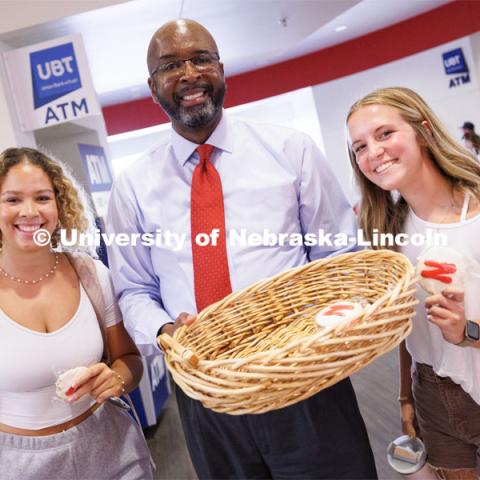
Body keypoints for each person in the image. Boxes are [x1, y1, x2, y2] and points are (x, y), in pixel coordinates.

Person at [106, 18, 377, 480]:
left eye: (201, 59)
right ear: (153, 88)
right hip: (205, 391)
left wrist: (320, 329)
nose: (189, 73)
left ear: (222, 69)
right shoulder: (132, 186)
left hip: (302, 377)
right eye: (171, 66)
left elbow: (339, 257)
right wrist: (166, 330)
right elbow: (133, 289)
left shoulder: (290, 150)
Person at [346, 87, 480, 479]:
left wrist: (468, 332)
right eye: (359, 147)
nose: (373, 152)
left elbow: (462, 332)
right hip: (435, 394)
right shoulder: (387, 232)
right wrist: (406, 396)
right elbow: (410, 327)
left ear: (422, 131)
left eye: (385, 133)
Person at [0, 147, 152, 480]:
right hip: (22, 465)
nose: (29, 212)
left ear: (59, 205)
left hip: (113, 447)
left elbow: (129, 360)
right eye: (12, 200)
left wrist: (116, 378)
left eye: (42, 198)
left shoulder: (91, 274)